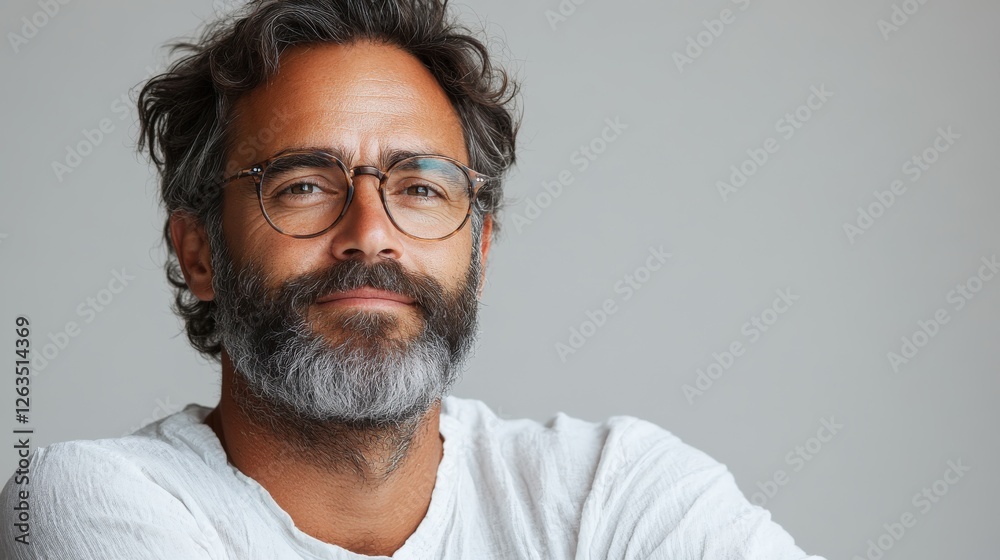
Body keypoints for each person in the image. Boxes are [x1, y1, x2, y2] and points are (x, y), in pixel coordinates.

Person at [1, 1, 825, 558]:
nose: (370, 236)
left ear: (481, 245)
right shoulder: (84, 504)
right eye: (302, 186)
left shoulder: (611, 491)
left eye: (421, 189)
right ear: (200, 253)